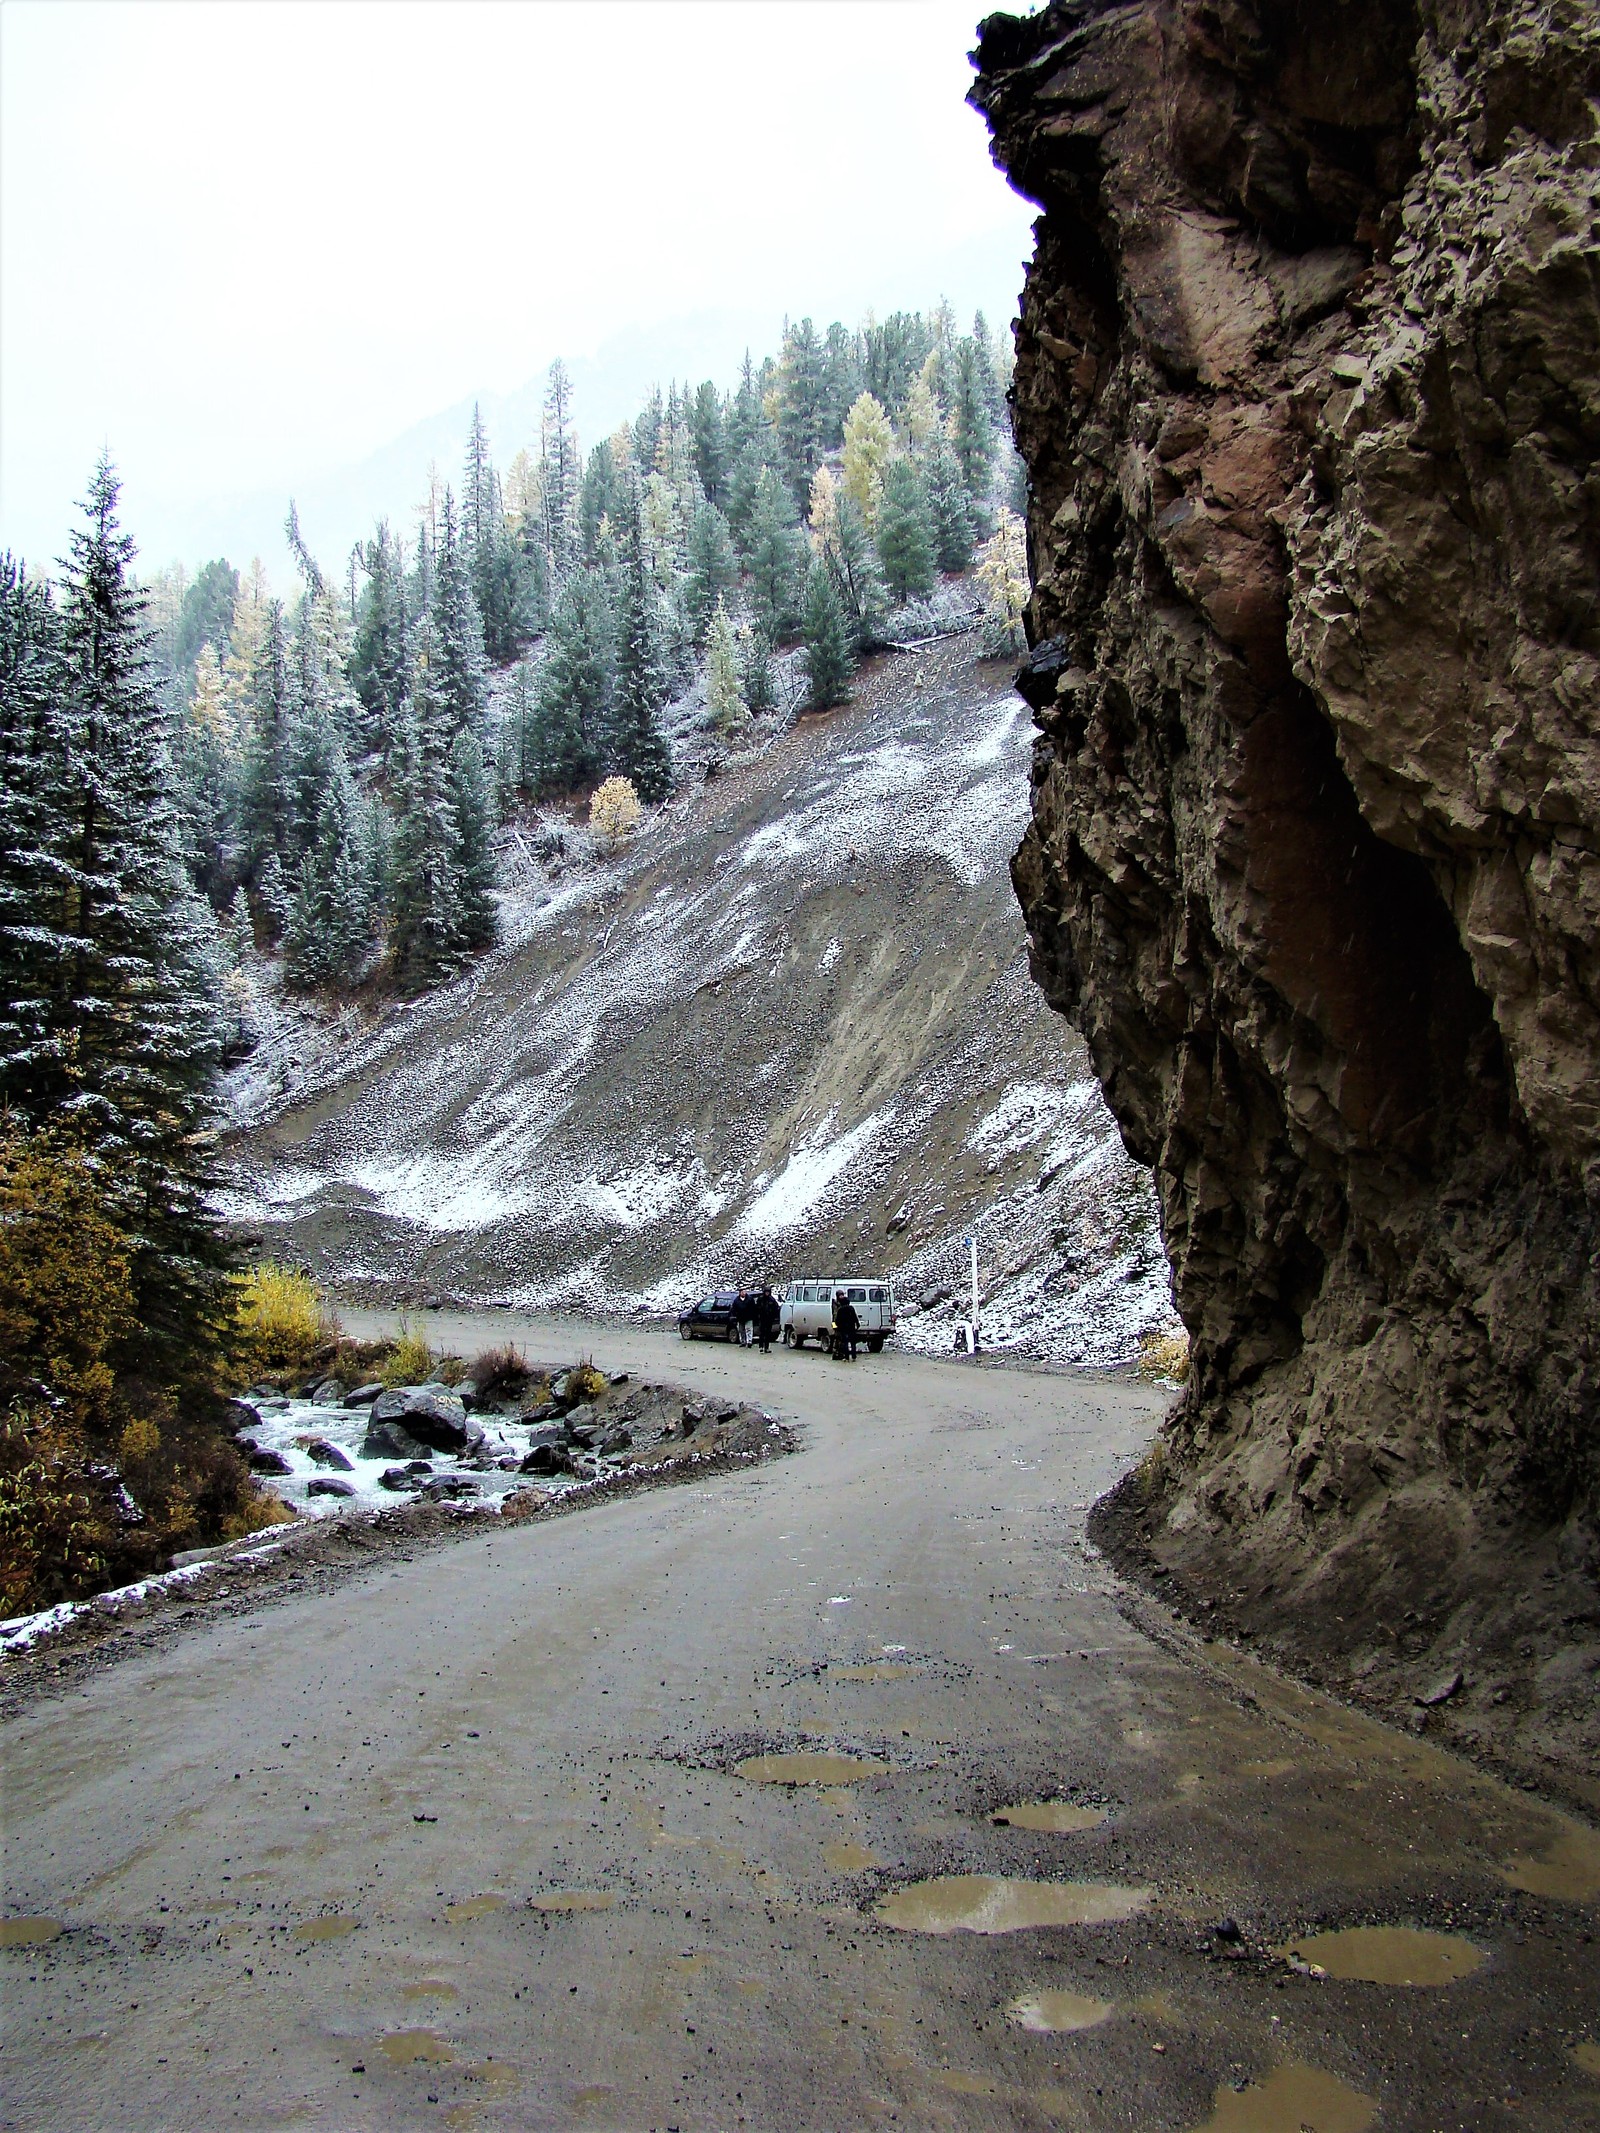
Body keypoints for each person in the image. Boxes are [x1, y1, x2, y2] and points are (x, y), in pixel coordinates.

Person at [832, 1288, 859, 1362]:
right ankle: (851, 1356)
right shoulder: (836, 1304)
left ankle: (846, 1357)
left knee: (844, 1342)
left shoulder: (840, 1308)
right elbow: (834, 1316)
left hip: (843, 1328)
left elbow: (836, 1318)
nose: (841, 1296)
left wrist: (836, 1326)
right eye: (840, 1295)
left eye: (842, 1295)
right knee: (848, 1342)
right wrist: (857, 1324)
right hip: (849, 1327)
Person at [758, 1285, 780, 1354]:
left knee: (768, 1334)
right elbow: (757, 1308)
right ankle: (761, 1347)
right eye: (766, 1292)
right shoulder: (760, 1299)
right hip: (762, 1319)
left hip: (769, 1319)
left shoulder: (772, 1299)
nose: (767, 1293)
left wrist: (774, 1317)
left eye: (768, 1292)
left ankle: (766, 1347)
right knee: (762, 1333)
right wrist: (758, 1316)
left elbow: (776, 1308)